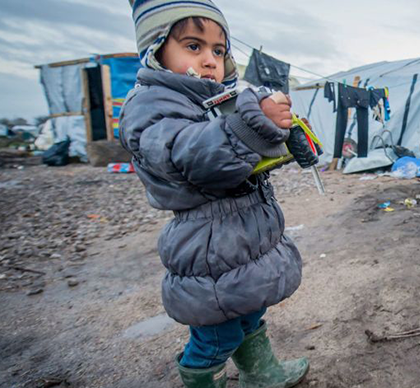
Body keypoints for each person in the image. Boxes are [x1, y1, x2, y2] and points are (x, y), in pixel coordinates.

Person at [120, 1, 317, 387]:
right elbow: (191, 155)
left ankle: (262, 374)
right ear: (155, 50)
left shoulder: (215, 100)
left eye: (219, 50)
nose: (210, 60)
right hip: (207, 243)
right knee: (216, 332)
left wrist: (277, 141)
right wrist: (249, 124)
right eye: (193, 46)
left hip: (241, 234)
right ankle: (201, 378)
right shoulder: (150, 105)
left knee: (248, 310)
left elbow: (237, 156)